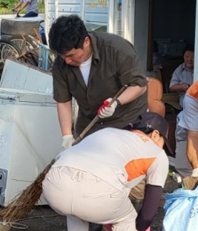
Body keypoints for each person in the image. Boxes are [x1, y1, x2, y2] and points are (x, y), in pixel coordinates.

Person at [43, 112, 170, 231]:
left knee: (75, 209)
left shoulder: (108, 133)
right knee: (127, 219)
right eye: (163, 140)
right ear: (155, 135)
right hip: (95, 190)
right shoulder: (157, 153)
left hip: (55, 184)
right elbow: (149, 209)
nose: (163, 147)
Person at [48, 14, 148, 151]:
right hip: (90, 123)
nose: (67, 61)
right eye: (62, 56)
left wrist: (116, 102)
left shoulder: (117, 49)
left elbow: (139, 85)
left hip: (126, 120)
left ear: (86, 42)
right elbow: (63, 101)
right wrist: (67, 135)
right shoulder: (61, 64)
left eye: (71, 55)